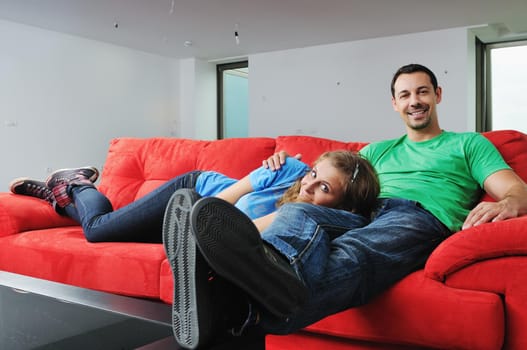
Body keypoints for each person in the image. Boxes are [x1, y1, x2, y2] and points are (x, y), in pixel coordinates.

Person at [168, 63, 527, 349]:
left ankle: (240, 306)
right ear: (395, 104)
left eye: (422, 92)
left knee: (355, 254)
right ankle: (254, 280)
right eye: (405, 94)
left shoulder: (468, 144)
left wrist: (510, 201)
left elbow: (516, 189)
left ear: (438, 94)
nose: (414, 100)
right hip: (361, 212)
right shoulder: (376, 150)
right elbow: (333, 180)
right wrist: (283, 171)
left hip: (416, 214)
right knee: (300, 212)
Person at [9, 150, 379, 244]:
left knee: (114, 225)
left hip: (193, 228)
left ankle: (56, 196)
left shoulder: (319, 223)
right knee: (99, 230)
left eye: (325, 188)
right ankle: (77, 184)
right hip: (195, 194)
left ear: (343, 207)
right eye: (315, 175)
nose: (310, 187)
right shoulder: (286, 169)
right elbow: (224, 204)